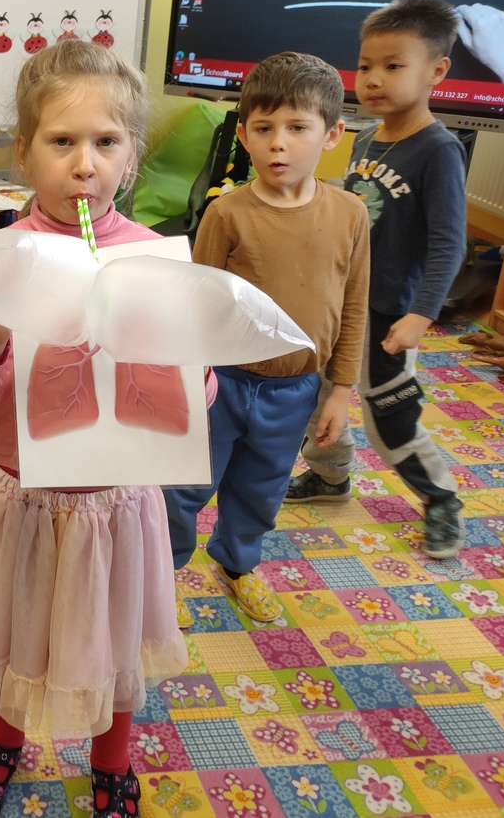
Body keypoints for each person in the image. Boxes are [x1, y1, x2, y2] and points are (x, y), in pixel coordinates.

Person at [0, 41, 199, 818]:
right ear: (23, 151)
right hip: (20, 496)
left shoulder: (152, 259)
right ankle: (2, 739)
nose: (85, 164)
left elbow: (194, 399)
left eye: (106, 142)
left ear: (132, 154)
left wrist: (187, 364)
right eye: (62, 141)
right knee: (11, 631)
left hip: (113, 503)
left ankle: (112, 759)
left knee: (111, 638)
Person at [165, 52, 370, 627]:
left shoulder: (350, 215)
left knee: (262, 489)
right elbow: (197, 305)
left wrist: (340, 391)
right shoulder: (226, 214)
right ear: (244, 135)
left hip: (296, 390)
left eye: (298, 127)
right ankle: (165, 569)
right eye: (263, 128)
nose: (279, 143)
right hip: (222, 383)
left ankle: (237, 563)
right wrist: (186, 382)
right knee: (184, 486)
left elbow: (354, 305)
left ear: (332, 134)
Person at [286, 0, 468, 560]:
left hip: (389, 310)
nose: (373, 79)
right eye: (366, 65)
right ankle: (330, 476)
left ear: (436, 70)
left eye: (393, 66)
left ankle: (440, 497)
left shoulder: (439, 150)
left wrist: (421, 314)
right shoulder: (365, 138)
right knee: (319, 398)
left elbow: (449, 242)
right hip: (339, 301)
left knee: (390, 414)